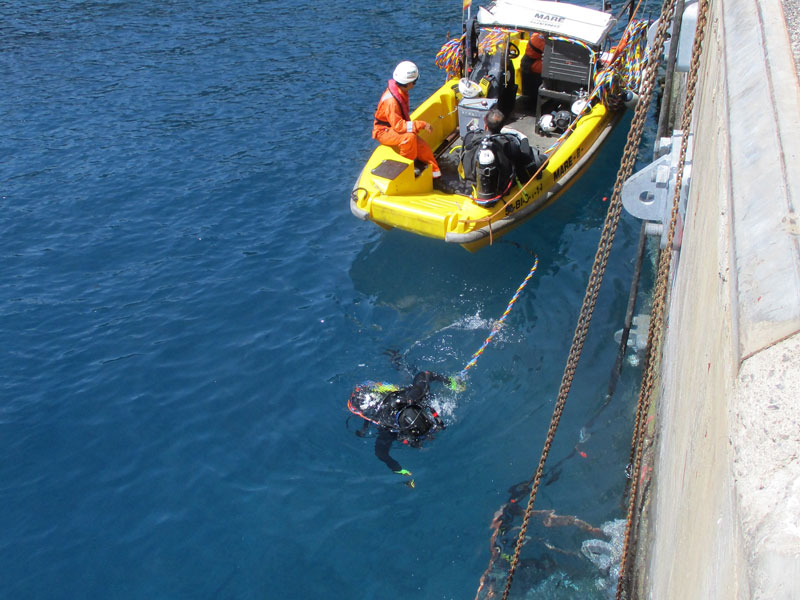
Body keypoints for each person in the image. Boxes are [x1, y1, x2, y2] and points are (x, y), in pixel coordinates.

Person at [349, 371, 461, 486]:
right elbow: (425, 374)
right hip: (433, 417)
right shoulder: (409, 397)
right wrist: (449, 381)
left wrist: (402, 472)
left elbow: (381, 454)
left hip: (413, 436)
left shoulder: (384, 425)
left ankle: (408, 465)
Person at [372, 61, 441, 178]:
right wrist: (421, 124)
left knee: (422, 146)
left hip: (393, 127)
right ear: (409, 84)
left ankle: (435, 174)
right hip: (383, 131)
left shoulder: (400, 92)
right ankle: (405, 171)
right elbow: (398, 126)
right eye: (414, 82)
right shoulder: (391, 102)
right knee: (409, 138)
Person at [460, 108, 545, 192]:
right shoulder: (509, 146)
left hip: (470, 183)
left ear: (485, 124)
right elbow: (526, 158)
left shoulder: (469, 138)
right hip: (499, 188)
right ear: (502, 126)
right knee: (543, 159)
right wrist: (523, 138)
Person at [520, 32, 545, 108]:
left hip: (529, 61)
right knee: (550, 68)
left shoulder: (535, 35)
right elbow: (548, 50)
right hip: (530, 63)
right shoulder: (539, 40)